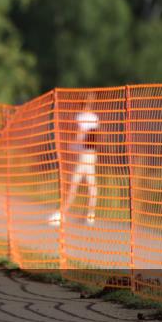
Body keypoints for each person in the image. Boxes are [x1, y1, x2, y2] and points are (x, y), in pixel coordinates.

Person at [61, 95, 100, 226]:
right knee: (91, 186)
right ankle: (89, 215)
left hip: (82, 155)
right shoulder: (94, 118)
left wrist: (71, 146)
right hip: (90, 154)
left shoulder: (80, 117)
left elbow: (78, 135)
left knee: (74, 184)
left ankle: (63, 213)